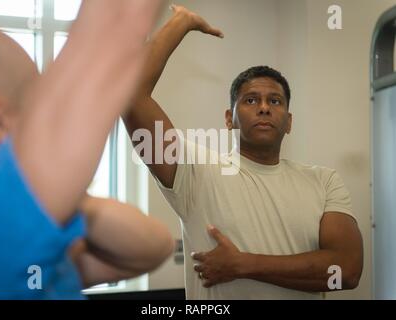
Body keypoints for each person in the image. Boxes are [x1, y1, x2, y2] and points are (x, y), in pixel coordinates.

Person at [123, 5, 364, 299]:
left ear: (289, 122)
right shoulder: (195, 170)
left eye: (275, 101)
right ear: (229, 118)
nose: (264, 107)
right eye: (251, 100)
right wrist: (181, 23)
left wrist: (243, 264)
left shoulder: (324, 181)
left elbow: (347, 270)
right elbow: (130, 96)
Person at [0, 0, 173, 299]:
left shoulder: (23, 244)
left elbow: (155, 247)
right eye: (31, 116)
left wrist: (72, 202)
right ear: (1, 122)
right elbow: (121, 14)